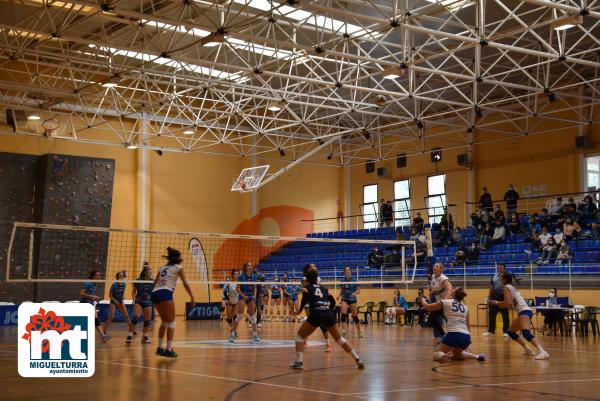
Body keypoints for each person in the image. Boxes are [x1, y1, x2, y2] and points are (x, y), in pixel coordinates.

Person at [289, 265, 365, 370]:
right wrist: (327, 308)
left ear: (307, 279)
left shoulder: (305, 289)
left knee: (299, 337)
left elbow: (299, 311)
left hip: (316, 314)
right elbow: (333, 301)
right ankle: (357, 359)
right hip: (328, 313)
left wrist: (292, 312)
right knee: (339, 339)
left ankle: (299, 362)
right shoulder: (324, 289)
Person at [490, 272, 550, 360]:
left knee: (526, 333)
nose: (499, 279)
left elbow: (508, 303)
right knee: (511, 332)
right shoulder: (511, 287)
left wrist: (495, 302)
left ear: (505, 279)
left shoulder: (507, 287)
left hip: (524, 311)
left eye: (501, 277)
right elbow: (509, 304)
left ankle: (542, 351)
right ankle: (527, 349)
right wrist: (501, 304)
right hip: (522, 311)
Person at [151, 247, 195, 357]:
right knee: (171, 323)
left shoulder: (162, 268)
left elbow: (155, 282)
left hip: (155, 294)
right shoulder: (178, 267)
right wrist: (192, 296)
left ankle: (160, 348)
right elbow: (185, 283)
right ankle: (169, 349)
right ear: (177, 258)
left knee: (164, 322)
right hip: (165, 293)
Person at [420, 287, 485, 363]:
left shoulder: (446, 302)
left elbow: (428, 307)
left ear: (453, 293)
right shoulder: (465, 307)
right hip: (466, 336)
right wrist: (468, 340)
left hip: (454, 334)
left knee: (436, 354)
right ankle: (477, 356)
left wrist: (423, 300)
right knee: (456, 355)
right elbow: (468, 325)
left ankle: (443, 356)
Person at [102, 271, 135, 343]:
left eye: (122, 276)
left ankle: (131, 329)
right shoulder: (114, 285)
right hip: (113, 302)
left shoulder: (124, 284)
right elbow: (110, 295)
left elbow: (121, 293)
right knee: (111, 317)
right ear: (117, 277)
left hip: (120, 301)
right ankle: (103, 330)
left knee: (126, 316)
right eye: (120, 276)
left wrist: (122, 297)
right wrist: (115, 301)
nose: (121, 277)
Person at [80, 270, 112, 343]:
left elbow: (89, 294)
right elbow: (81, 293)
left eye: (99, 275)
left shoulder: (95, 284)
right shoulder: (88, 283)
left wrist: (93, 298)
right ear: (93, 276)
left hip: (89, 303)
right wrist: (92, 296)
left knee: (95, 319)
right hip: (84, 304)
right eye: (97, 275)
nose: (98, 277)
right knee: (93, 320)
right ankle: (103, 335)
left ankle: (103, 336)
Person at [482, 264, 509, 337]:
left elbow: (509, 287)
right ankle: (491, 331)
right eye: (498, 268)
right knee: (491, 314)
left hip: (503, 297)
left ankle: (506, 332)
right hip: (493, 296)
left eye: (501, 268)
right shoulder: (494, 276)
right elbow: (491, 286)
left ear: (504, 269)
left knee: (505, 315)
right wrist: (489, 296)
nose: (499, 269)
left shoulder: (507, 276)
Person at [429, 263, 452, 344]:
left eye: (437, 267)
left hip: (445, 303)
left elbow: (450, 289)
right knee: (431, 319)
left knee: (450, 321)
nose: (434, 269)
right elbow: (434, 288)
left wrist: (445, 301)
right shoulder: (433, 276)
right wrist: (431, 293)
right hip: (439, 302)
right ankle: (444, 335)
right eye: (434, 267)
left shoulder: (443, 278)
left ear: (441, 269)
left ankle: (454, 337)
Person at [338, 267, 364, 338]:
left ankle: (359, 331)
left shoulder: (355, 280)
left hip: (352, 299)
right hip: (344, 298)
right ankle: (344, 332)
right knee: (343, 314)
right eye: (346, 270)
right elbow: (342, 290)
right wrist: (338, 296)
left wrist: (354, 294)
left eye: (348, 270)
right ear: (344, 272)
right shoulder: (342, 280)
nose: (347, 271)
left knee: (355, 316)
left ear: (350, 271)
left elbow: (359, 291)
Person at [132, 263, 154, 344]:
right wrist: (134, 299)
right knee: (136, 319)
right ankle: (130, 334)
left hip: (148, 302)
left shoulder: (152, 281)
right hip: (139, 300)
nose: (150, 270)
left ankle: (144, 336)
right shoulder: (139, 280)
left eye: (150, 269)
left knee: (147, 321)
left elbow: (154, 292)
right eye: (148, 269)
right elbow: (134, 291)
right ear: (144, 272)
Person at [238, 261, 261, 341]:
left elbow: (255, 287)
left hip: (250, 296)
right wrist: (244, 296)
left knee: (252, 316)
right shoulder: (241, 276)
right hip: (242, 296)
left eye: (251, 265)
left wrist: (254, 296)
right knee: (240, 315)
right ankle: (232, 333)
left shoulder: (254, 276)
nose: (250, 267)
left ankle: (255, 335)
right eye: (248, 265)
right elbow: (238, 289)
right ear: (245, 267)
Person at [224, 270, 241, 342]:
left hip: (236, 302)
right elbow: (225, 293)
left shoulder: (240, 283)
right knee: (229, 318)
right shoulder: (228, 283)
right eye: (235, 274)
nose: (237, 275)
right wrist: (228, 299)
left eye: (237, 274)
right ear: (232, 275)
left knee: (235, 316)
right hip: (229, 301)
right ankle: (232, 328)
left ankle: (233, 331)